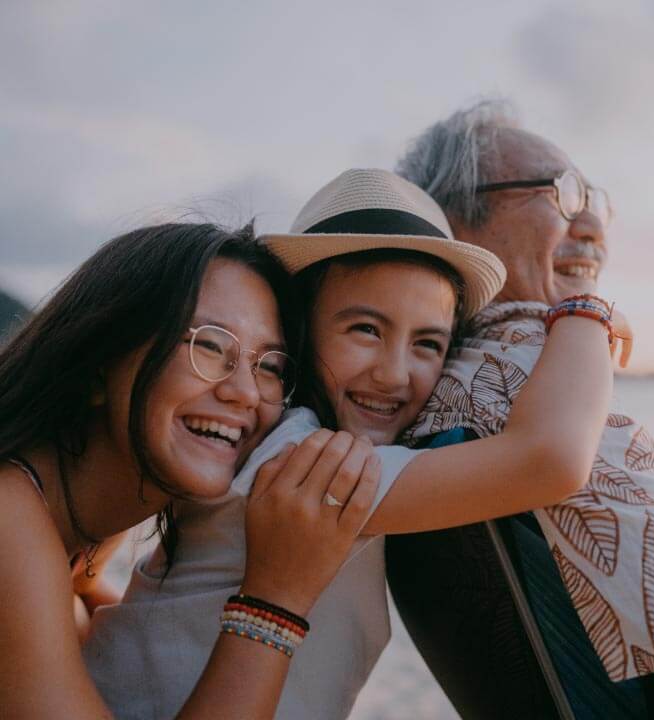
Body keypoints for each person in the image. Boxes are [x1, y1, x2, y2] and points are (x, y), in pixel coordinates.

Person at [84, 168, 622, 720]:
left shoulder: (259, 441)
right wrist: (586, 314)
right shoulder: (308, 463)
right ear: (297, 330)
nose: (393, 375)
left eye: (428, 343)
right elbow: (550, 460)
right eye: (366, 329)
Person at [387, 99, 654, 719]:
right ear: (454, 220)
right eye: (562, 193)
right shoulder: (532, 372)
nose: (594, 223)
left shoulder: (424, 389)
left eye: (595, 196)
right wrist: (584, 319)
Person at [0, 221, 383, 720]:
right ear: (99, 356)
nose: (246, 393)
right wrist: (274, 601)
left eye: (269, 367)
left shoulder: (84, 536)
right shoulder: (10, 519)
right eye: (208, 345)